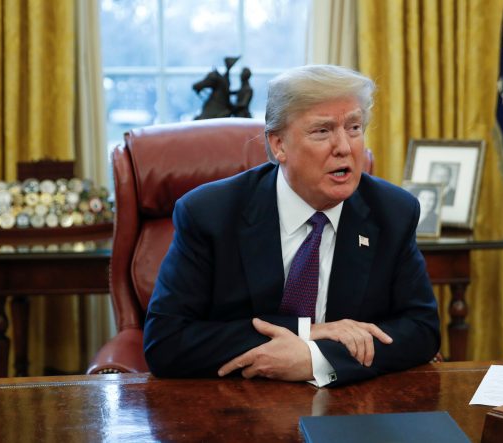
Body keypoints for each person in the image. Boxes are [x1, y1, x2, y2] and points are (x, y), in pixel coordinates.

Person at [143, 64, 440, 387]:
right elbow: (166, 341)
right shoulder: (211, 214)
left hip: (346, 410)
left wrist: (316, 357)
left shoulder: (392, 212)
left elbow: (422, 330)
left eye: (354, 127)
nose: (344, 146)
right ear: (279, 145)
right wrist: (306, 331)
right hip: (238, 405)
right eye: (322, 131)